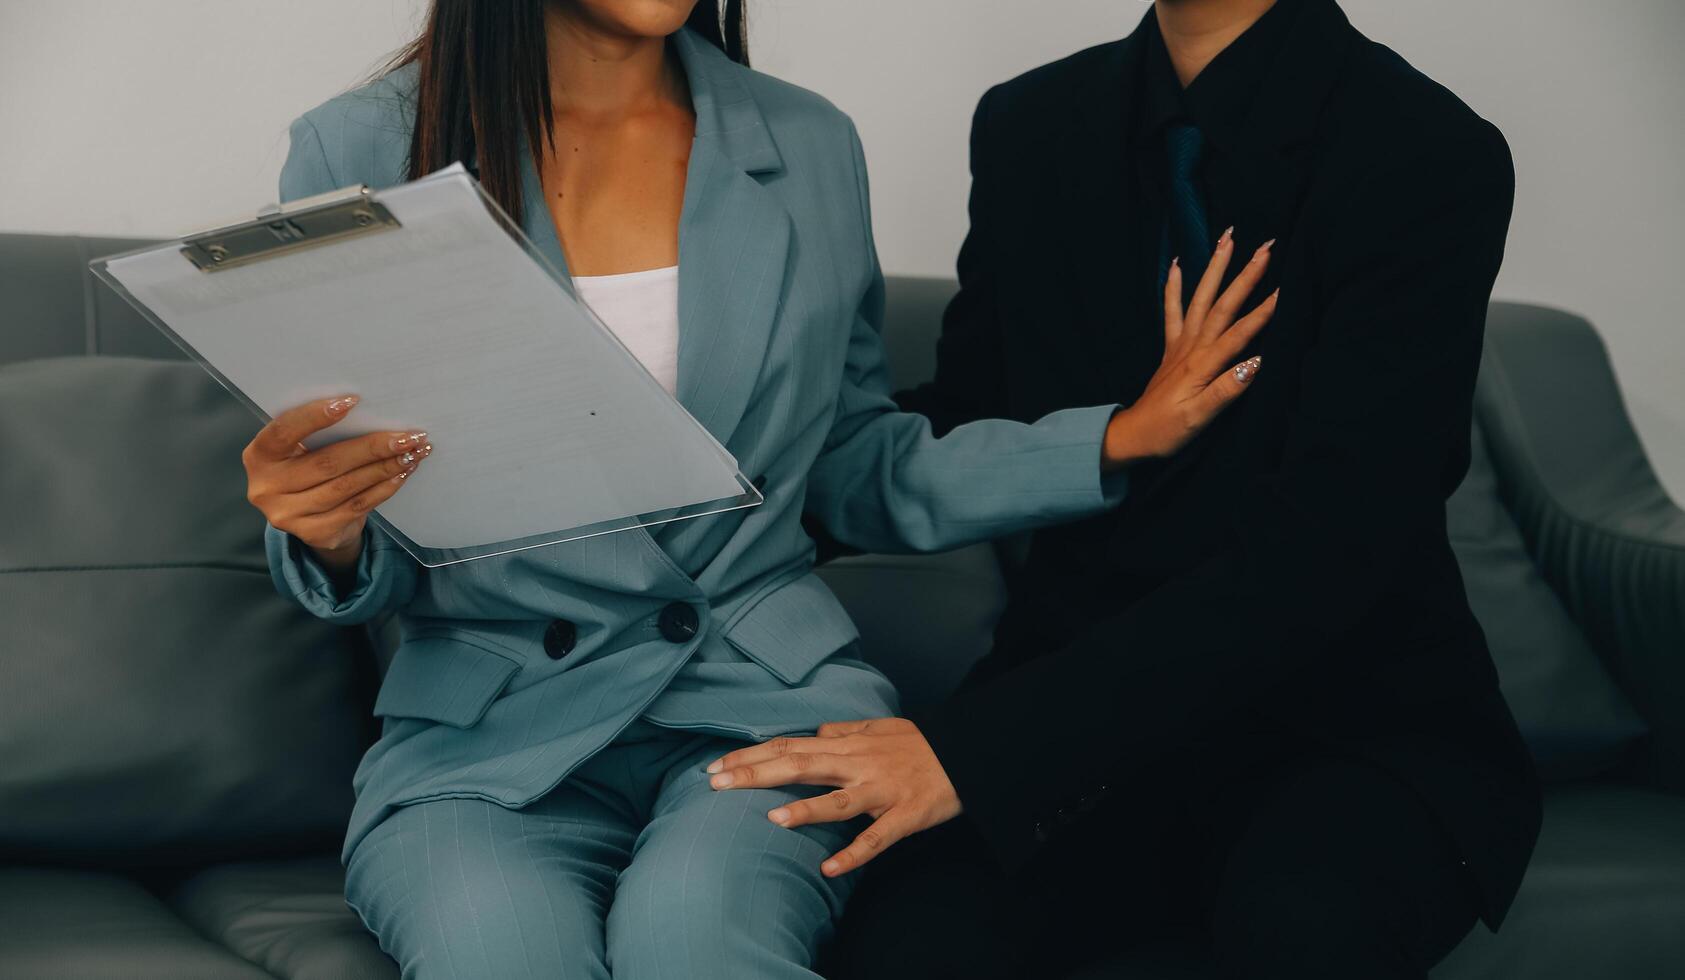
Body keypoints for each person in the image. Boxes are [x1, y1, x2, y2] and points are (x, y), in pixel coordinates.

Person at [238, 1, 1279, 977]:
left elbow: (847, 458)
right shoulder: (357, 151)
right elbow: (365, 486)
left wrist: (1110, 439)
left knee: (696, 941)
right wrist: (324, 526)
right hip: (490, 729)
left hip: (756, 699)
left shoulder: (807, 142)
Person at [704, 1, 1543, 977]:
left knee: (1301, 928)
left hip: (1343, 722)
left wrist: (976, 753)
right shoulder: (1029, 122)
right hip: (1081, 734)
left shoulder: (1422, 148)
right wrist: (706, 495)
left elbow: (1325, 552)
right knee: (907, 944)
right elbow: (966, 423)